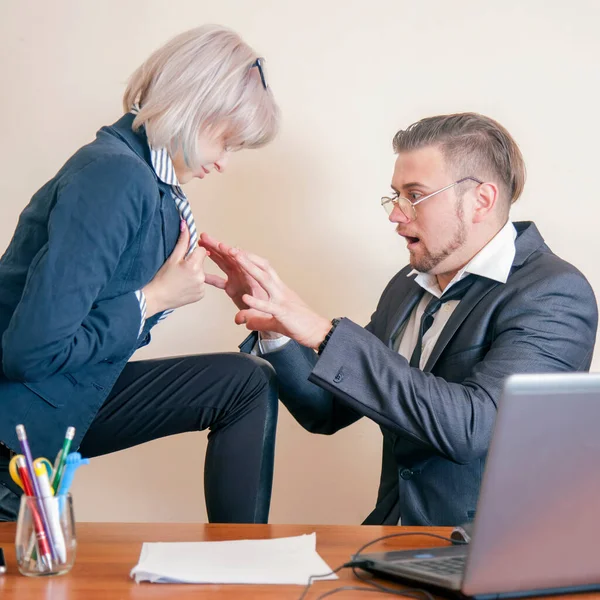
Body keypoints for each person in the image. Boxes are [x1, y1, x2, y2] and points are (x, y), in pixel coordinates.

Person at [201, 112, 598, 526]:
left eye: (416, 195)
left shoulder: (554, 293)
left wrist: (323, 333)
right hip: (390, 540)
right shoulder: (408, 284)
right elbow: (329, 410)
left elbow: (473, 429)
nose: (396, 214)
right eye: (395, 195)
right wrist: (275, 327)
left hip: (486, 555)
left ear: (482, 200)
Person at [0, 25, 280, 524]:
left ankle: (242, 559)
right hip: (16, 421)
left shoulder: (147, 181)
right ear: (196, 109)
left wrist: (191, 293)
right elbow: (32, 351)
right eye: (227, 142)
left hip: (66, 395)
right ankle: (245, 564)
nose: (223, 163)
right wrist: (152, 300)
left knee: (245, 382)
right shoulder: (115, 175)